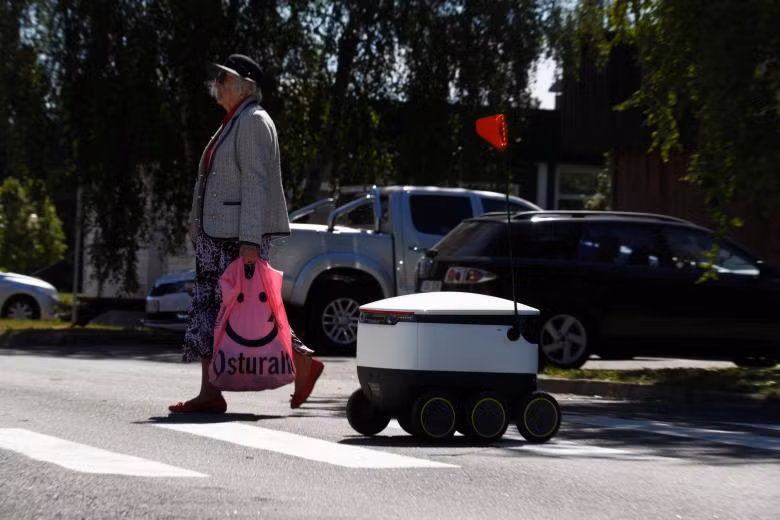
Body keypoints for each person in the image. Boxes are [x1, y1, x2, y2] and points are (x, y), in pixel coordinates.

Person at [168, 54, 324, 414]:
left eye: (225, 77)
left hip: (236, 238)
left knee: (246, 309)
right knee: (214, 310)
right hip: (219, 235)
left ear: (246, 85)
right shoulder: (233, 122)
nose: (218, 83)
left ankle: (301, 363)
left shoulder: (253, 122)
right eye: (219, 76)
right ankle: (209, 391)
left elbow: (256, 184)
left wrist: (250, 241)